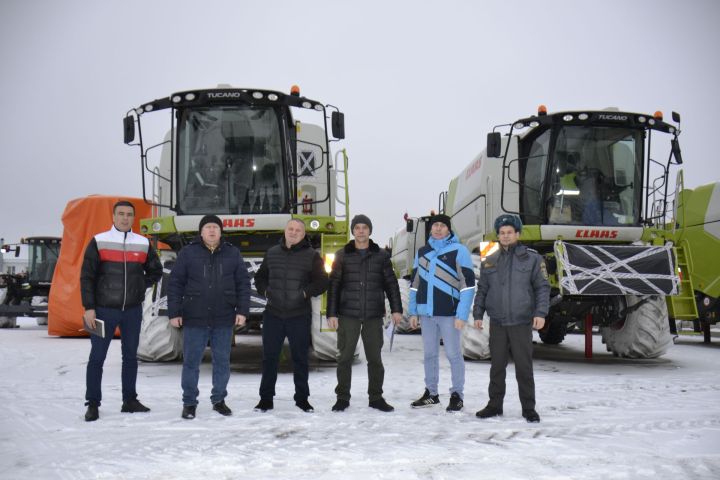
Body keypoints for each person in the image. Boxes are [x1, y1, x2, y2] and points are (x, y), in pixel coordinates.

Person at [80, 200, 163, 422]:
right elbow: (86, 276)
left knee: (130, 357)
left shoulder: (143, 243)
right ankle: (93, 403)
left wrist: (139, 286)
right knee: (97, 357)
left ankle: (129, 400)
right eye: (121, 214)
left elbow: (156, 270)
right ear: (113, 217)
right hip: (102, 312)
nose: (125, 218)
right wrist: (89, 307)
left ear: (133, 218)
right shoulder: (99, 241)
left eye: (129, 215)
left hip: (132, 312)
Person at [167, 215, 250, 420]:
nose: (212, 231)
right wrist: (174, 312)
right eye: (208, 227)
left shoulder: (233, 253)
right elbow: (175, 283)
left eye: (215, 227)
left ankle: (219, 400)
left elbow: (243, 284)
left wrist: (242, 311)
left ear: (221, 232)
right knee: (191, 362)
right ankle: (189, 402)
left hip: (223, 317)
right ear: (201, 232)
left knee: (222, 361)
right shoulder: (188, 253)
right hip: (195, 317)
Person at [473, 214, 550, 423]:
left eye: (509, 232)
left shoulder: (532, 257)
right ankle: (494, 405)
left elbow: (542, 287)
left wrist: (540, 313)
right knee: (497, 367)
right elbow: (483, 287)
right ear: (498, 235)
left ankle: (529, 408)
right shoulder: (489, 254)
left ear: (517, 234)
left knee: (524, 368)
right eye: (501, 233)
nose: (505, 236)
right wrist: (478, 313)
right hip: (497, 321)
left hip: (521, 321)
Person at [326, 214, 403, 412]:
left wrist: (396, 309)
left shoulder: (381, 256)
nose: (361, 231)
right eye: (357, 227)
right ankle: (342, 398)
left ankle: (376, 397)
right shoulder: (342, 255)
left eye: (364, 227)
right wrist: (331, 313)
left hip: (373, 315)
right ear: (353, 231)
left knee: (375, 359)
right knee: (344, 358)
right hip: (347, 314)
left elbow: (391, 284)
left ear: (370, 231)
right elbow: (334, 286)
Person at [253, 219, 329, 413]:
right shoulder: (272, 253)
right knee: (269, 358)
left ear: (303, 234)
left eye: (298, 230)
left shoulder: (312, 256)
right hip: (273, 315)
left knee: (300, 359)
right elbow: (259, 278)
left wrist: (304, 293)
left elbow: (322, 281)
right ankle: (265, 399)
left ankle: (302, 399)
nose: (293, 233)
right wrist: (266, 291)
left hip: (298, 315)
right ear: (285, 231)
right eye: (290, 229)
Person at [408, 214, 475, 412]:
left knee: (454, 354)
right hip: (426, 314)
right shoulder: (422, 252)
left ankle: (457, 395)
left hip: (449, 314)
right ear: (430, 229)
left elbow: (468, 285)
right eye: (434, 225)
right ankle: (431, 394)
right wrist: (413, 312)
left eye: (441, 225)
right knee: (429, 354)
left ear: (448, 229)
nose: (438, 229)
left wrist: (462, 315)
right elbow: (415, 284)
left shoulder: (459, 251)